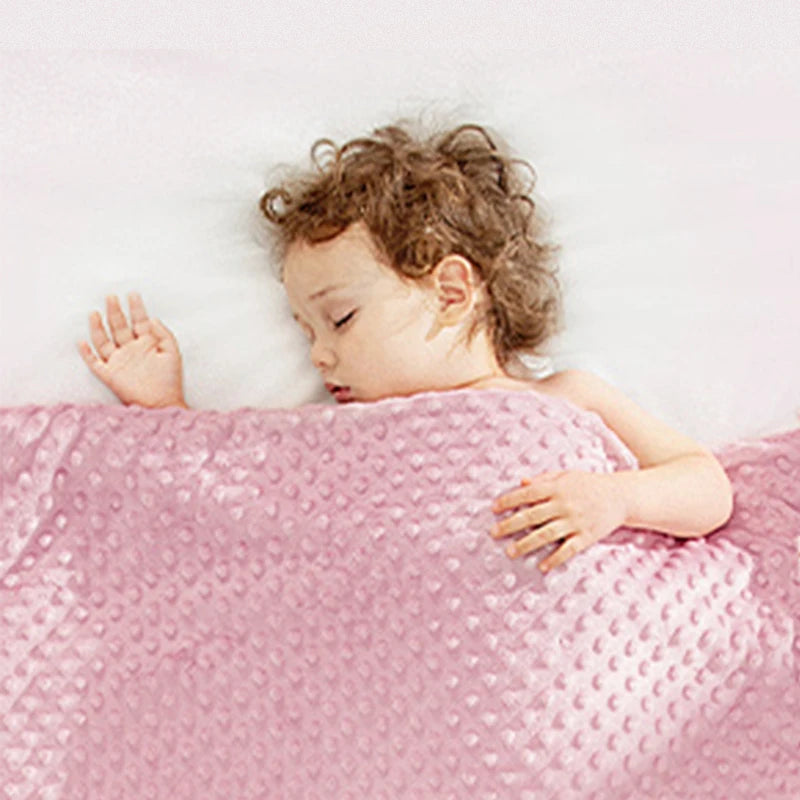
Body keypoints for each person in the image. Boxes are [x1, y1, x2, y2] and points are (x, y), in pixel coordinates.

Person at [77, 120, 734, 574]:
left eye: (340, 319)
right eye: (306, 332)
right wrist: (164, 408)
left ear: (451, 291)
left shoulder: (565, 396)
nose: (318, 357)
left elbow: (706, 487)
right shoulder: (342, 434)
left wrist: (616, 498)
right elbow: (238, 500)